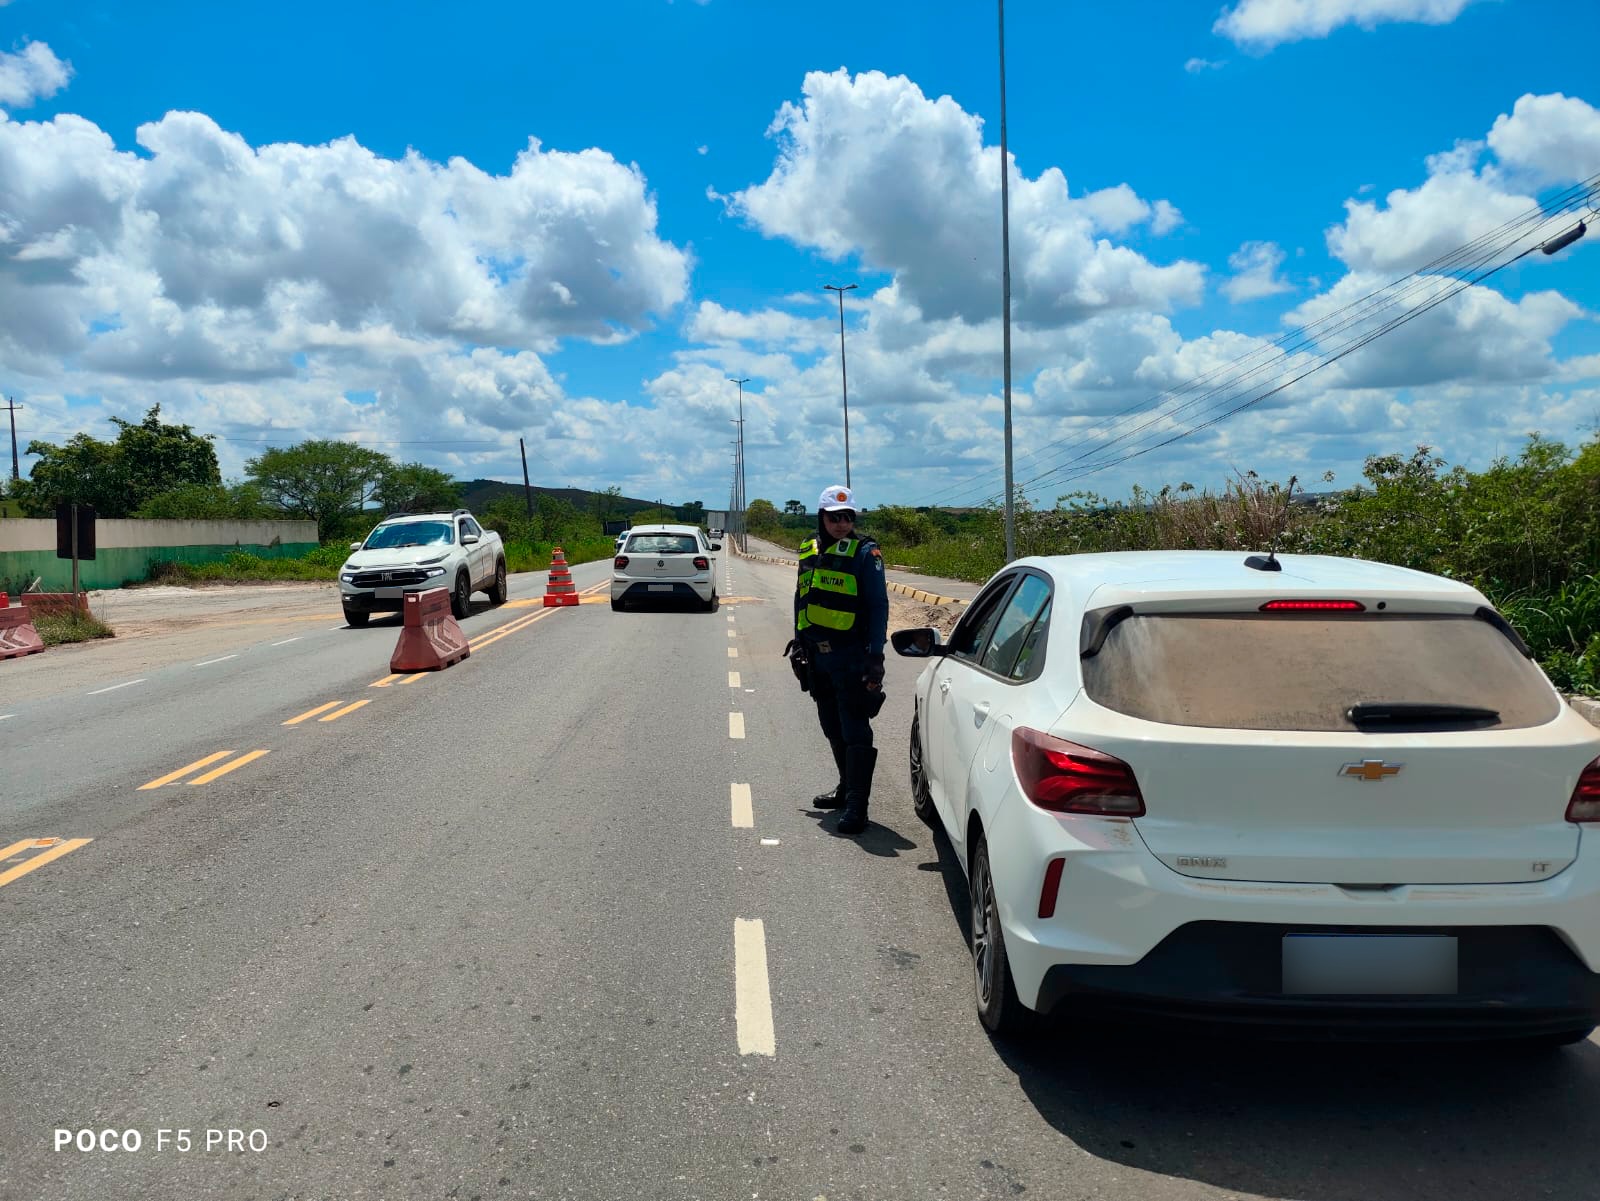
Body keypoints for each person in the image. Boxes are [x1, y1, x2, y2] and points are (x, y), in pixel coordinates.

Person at [786, 484, 889, 836]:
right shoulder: (808, 548)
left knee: (855, 727)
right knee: (830, 724)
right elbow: (801, 596)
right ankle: (846, 787)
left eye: (847, 517)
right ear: (822, 517)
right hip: (817, 655)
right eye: (834, 517)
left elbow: (878, 606)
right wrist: (799, 641)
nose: (842, 524)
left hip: (852, 656)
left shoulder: (866, 553)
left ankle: (858, 806)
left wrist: (876, 656)